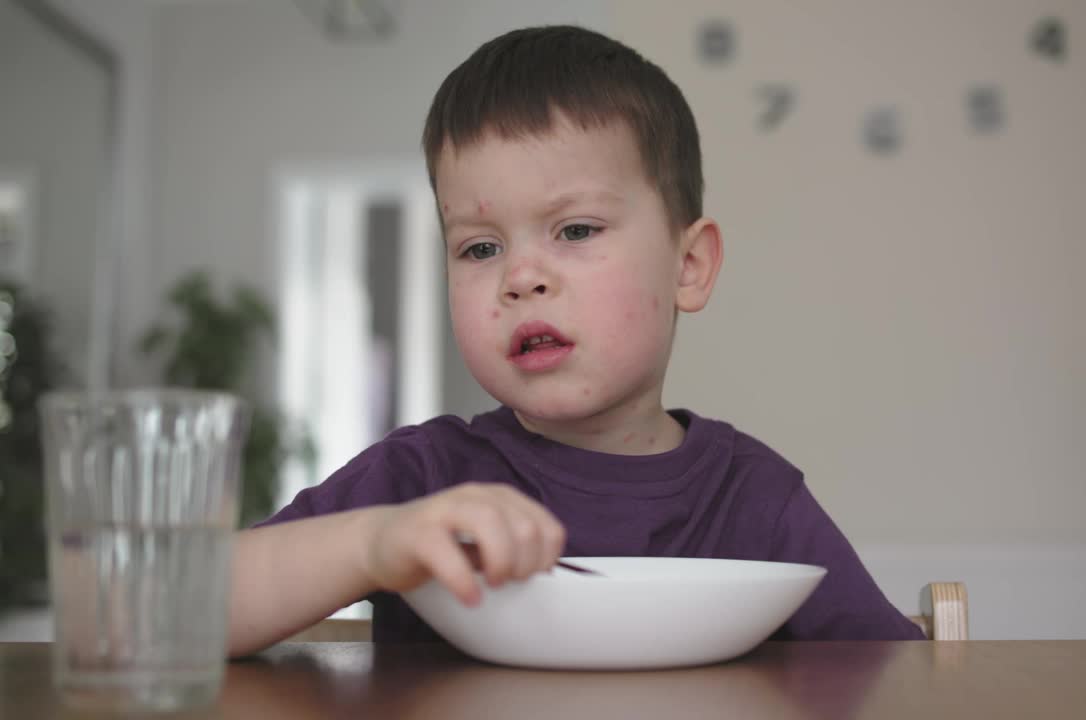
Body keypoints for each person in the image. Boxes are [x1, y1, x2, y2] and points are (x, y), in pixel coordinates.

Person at [228, 25, 923, 657]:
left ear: (688, 267)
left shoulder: (755, 501)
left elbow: (896, 679)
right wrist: (372, 545)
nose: (521, 277)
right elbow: (176, 615)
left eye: (576, 230)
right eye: (479, 248)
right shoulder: (419, 484)